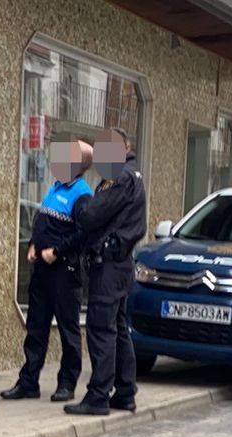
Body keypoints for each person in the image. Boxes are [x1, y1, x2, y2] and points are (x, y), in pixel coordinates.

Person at [2, 139, 95, 403]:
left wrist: (56, 251)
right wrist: (33, 244)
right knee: (36, 327)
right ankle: (28, 381)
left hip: (65, 271)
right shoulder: (55, 189)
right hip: (43, 271)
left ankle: (67, 383)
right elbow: (44, 223)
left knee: (68, 330)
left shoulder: (82, 195)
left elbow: (83, 234)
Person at [65, 127, 147, 417]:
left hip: (110, 264)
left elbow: (91, 215)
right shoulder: (131, 175)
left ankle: (98, 395)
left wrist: (80, 204)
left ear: (125, 148)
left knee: (101, 329)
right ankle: (125, 391)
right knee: (118, 330)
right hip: (120, 263)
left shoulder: (120, 177)